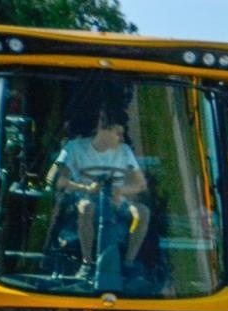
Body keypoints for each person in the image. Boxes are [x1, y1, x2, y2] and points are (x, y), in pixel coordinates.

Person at [48, 106, 151, 273]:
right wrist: (86, 188)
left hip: (116, 204)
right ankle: (87, 263)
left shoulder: (124, 151)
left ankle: (128, 262)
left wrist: (120, 191)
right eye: (117, 133)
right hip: (82, 203)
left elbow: (141, 184)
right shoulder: (74, 148)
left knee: (143, 212)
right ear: (102, 130)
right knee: (86, 207)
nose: (121, 138)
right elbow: (57, 181)